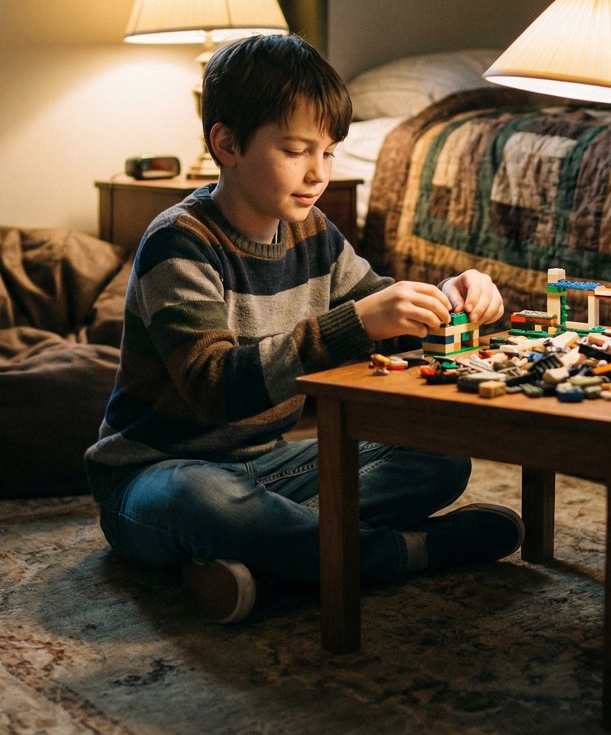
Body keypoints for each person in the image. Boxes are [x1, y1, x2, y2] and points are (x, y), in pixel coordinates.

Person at [84, 33, 522, 624]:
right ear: (228, 143)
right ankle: (395, 554)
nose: (318, 173)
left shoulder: (314, 232)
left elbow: (386, 316)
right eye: (296, 150)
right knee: (203, 500)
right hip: (155, 476)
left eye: (330, 151)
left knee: (443, 457)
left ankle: (270, 559)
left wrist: (449, 297)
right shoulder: (179, 242)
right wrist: (354, 324)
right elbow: (214, 386)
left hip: (268, 466)